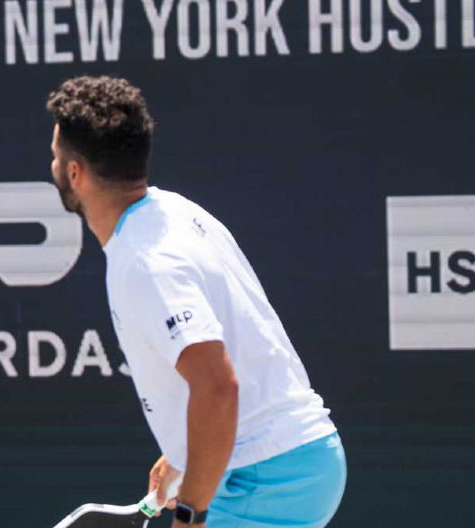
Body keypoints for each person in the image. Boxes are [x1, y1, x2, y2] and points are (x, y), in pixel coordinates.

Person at [44, 76, 345, 528]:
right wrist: (184, 456)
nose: (52, 163)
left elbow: (217, 385)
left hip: (262, 477)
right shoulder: (175, 212)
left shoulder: (144, 262)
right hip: (299, 460)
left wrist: (190, 510)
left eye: (55, 155)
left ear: (74, 173)